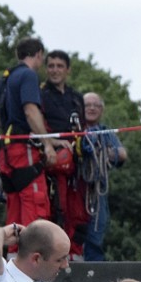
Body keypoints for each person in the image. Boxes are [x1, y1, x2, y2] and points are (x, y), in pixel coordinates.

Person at [0, 37, 57, 232]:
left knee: (14, 210)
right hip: (24, 152)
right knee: (34, 207)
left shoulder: (6, 78)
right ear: (38, 54)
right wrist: (47, 144)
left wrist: (11, 126)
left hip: (7, 152)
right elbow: (30, 111)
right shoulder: (28, 76)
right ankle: (33, 258)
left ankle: (12, 259)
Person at [40, 50, 87, 258]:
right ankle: (53, 255)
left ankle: (74, 254)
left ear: (68, 70)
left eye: (59, 66)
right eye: (51, 66)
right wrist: (51, 142)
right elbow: (36, 126)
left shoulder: (76, 97)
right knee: (56, 209)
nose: (55, 70)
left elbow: (83, 127)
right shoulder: (40, 94)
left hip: (78, 164)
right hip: (53, 163)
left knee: (80, 212)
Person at [81, 92, 127, 261]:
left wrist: (100, 151)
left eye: (96, 105)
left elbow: (122, 154)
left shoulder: (105, 132)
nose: (92, 108)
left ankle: (93, 272)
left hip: (97, 192)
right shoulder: (74, 130)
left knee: (97, 230)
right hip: (76, 188)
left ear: (101, 110)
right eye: (87, 105)